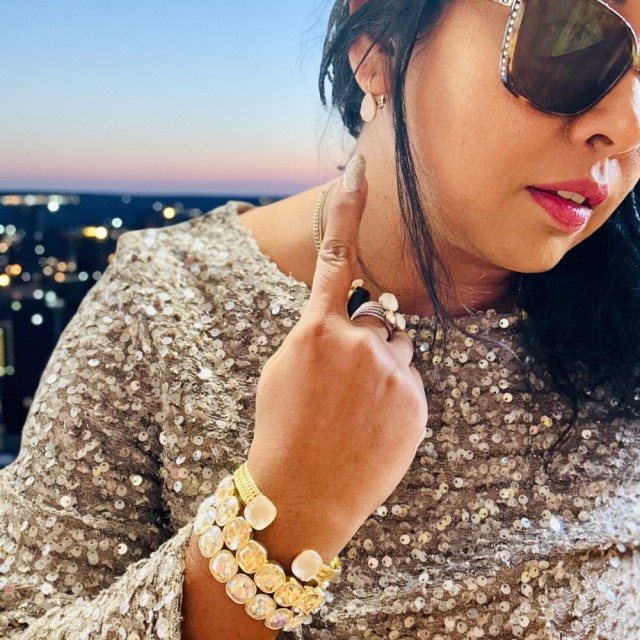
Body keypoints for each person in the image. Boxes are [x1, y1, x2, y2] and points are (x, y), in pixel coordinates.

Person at [1, 0, 640, 637]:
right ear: (379, 46)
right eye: (572, 38)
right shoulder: (168, 305)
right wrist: (286, 513)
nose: (628, 125)